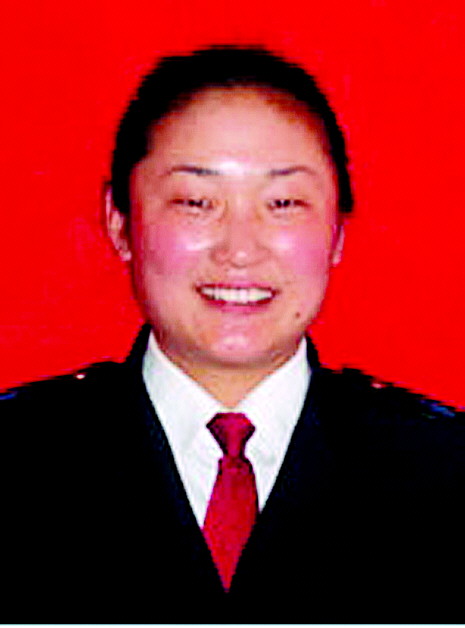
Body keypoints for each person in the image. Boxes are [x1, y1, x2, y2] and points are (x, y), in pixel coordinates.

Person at [1, 45, 464, 623]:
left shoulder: (444, 470)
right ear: (119, 221)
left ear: (338, 232)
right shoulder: (15, 459)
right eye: (197, 202)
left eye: (284, 202)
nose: (240, 250)